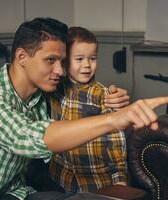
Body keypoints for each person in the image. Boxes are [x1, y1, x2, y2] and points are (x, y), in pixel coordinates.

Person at [0, 17, 168, 200]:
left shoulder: (43, 95)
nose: (59, 70)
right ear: (21, 57)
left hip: (19, 193)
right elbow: (27, 137)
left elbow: (82, 91)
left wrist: (112, 97)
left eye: (62, 61)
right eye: (51, 60)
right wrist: (114, 119)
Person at [48, 27, 127, 193]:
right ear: (65, 60)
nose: (87, 65)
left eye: (92, 58)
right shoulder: (54, 88)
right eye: (79, 59)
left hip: (96, 180)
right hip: (61, 178)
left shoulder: (104, 95)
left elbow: (116, 143)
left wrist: (120, 181)